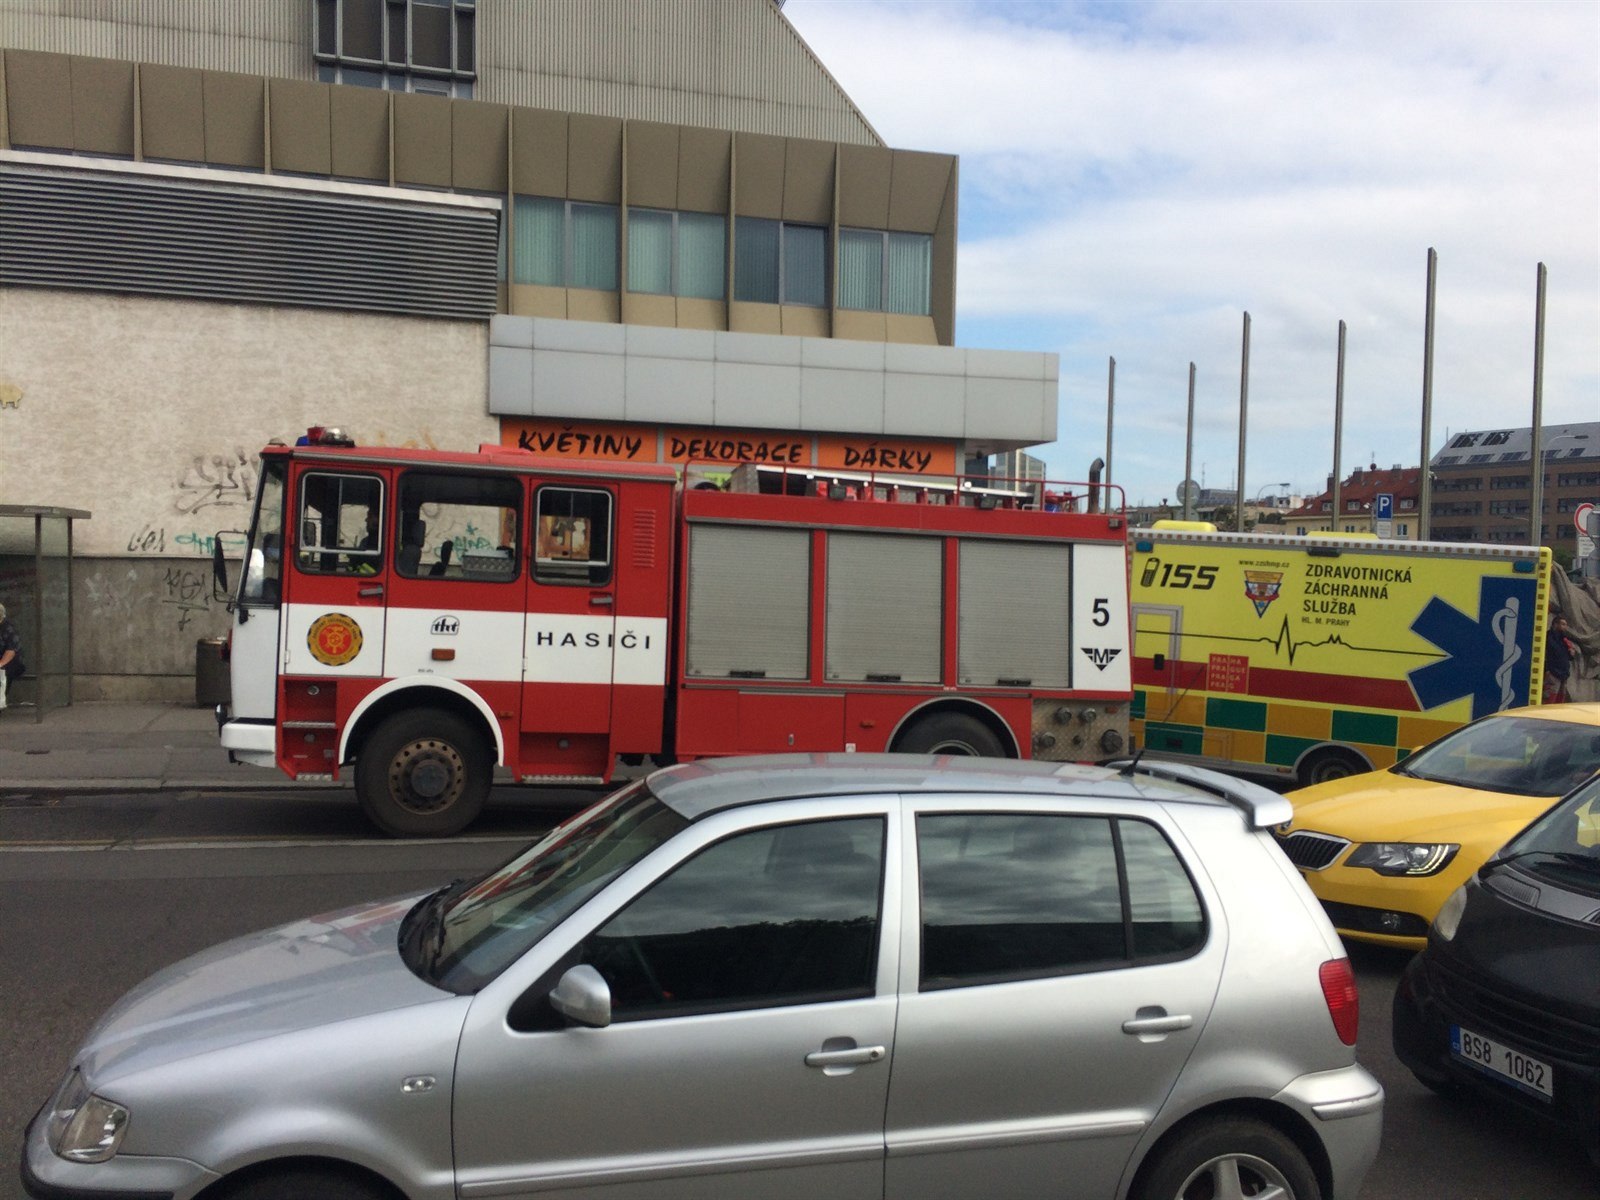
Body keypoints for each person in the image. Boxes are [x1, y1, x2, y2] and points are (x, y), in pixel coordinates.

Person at [0, 602, 24, 718]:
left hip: (10, 661)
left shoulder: (8, 628)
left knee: (4, 671)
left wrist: (0, 664)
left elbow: (11, 650)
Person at [1544, 610, 1574, 704]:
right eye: (1563, 624)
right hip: (1552, 672)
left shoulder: (1564, 639)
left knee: (1560, 699)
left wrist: (1571, 653)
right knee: (1550, 698)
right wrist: (1547, 670)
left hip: (1563, 673)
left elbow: (1568, 656)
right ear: (1555, 624)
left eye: (1566, 625)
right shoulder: (1548, 637)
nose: (1565, 627)